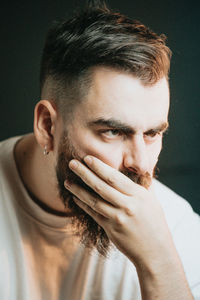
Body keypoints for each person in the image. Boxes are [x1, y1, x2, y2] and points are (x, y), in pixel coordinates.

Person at [0, 1, 200, 299]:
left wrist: (159, 264)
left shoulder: (178, 228)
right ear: (47, 127)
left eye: (153, 133)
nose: (141, 164)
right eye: (113, 131)